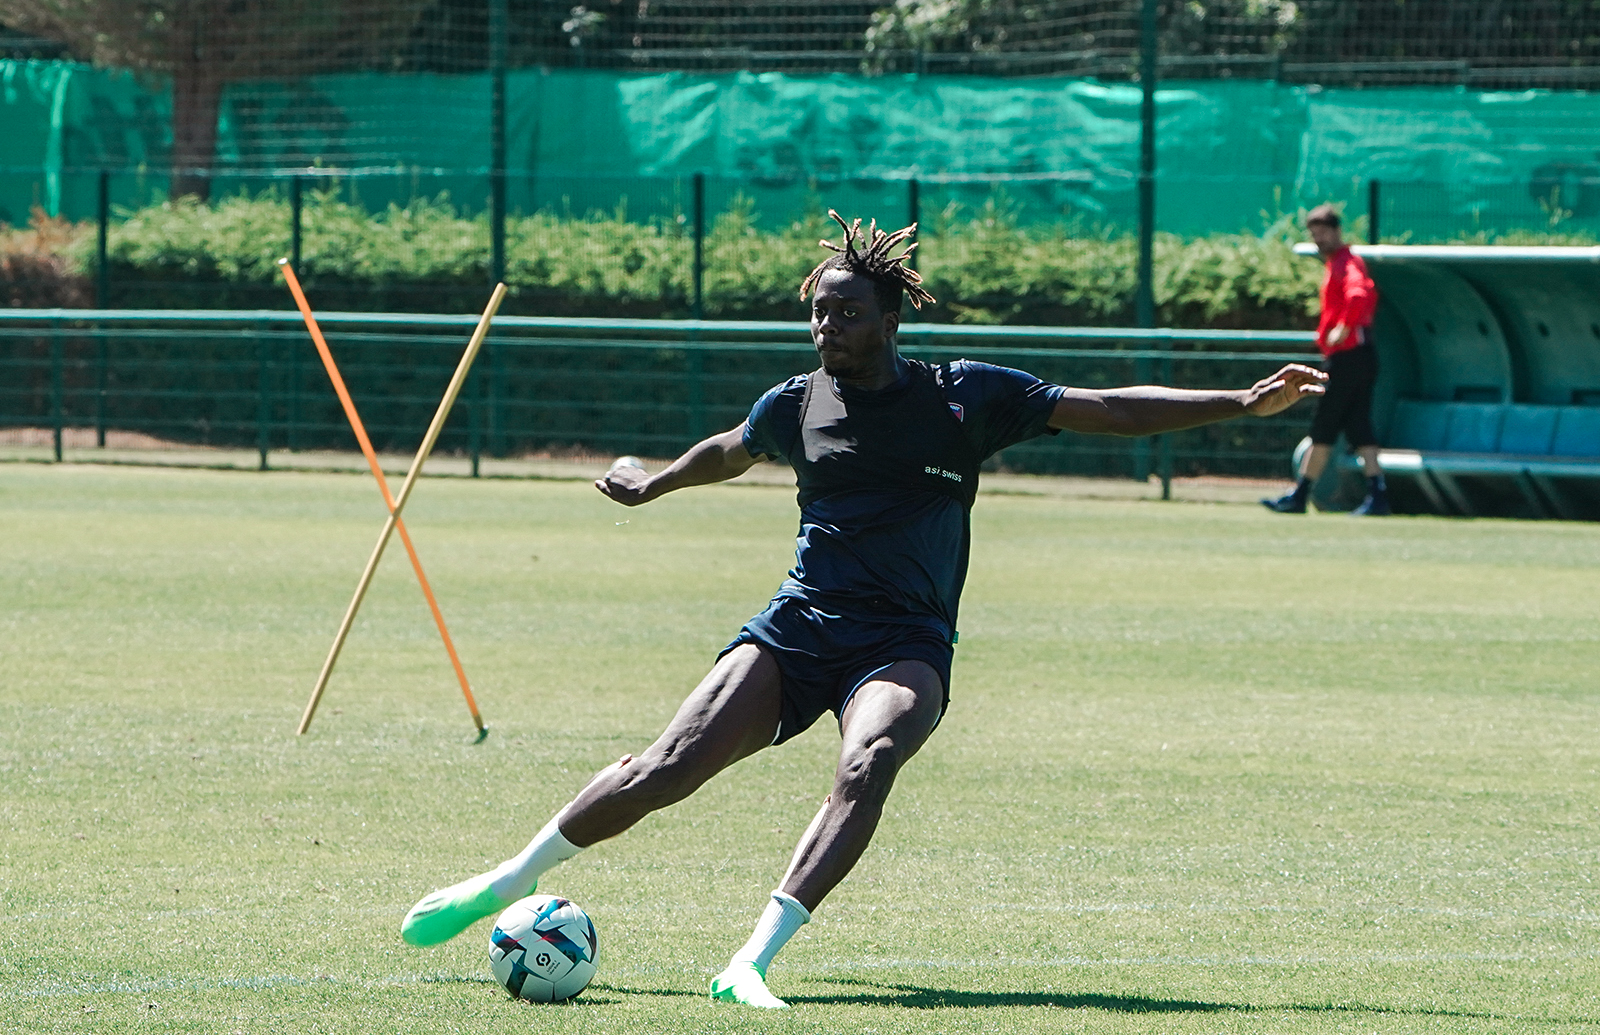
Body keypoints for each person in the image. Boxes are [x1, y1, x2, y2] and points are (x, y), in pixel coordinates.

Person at [400, 211, 1326, 1008]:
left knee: (872, 754)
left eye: (845, 311)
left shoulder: (964, 398)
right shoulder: (796, 404)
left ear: (891, 318)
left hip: (908, 637)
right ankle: (506, 882)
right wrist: (654, 483)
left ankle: (749, 964)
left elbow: (1110, 408)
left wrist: (1242, 400)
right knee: (668, 768)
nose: (825, 325)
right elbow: (728, 448)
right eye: (817, 310)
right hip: (800, 624)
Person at [1263, 203, 1388, 516]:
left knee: (1325, 425)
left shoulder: (1348, 262)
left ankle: (1300, 494)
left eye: (1322, 234)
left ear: (1336, 232)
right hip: (1357, 358)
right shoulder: (1336, 263)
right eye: (1314, 235)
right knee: (1359, 428)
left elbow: (1360, 295)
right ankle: (1378, 494)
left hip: (1349, 358)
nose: (1319, 241)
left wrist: (1343, 327)